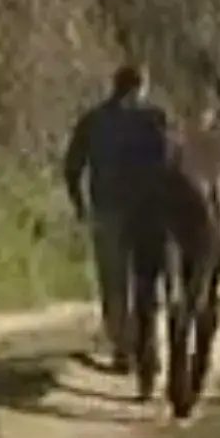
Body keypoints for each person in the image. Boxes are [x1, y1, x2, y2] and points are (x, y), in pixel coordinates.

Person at [60, 63, 173, 373]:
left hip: (107, 210)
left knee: (114, 283)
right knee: (147, 282)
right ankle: (147, 347)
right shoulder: (155, 120)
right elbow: (171, 164)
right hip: (149, 214)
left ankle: (123, 349)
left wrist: (81, 206)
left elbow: (72, 166)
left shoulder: (93, 121)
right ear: (142, 87)